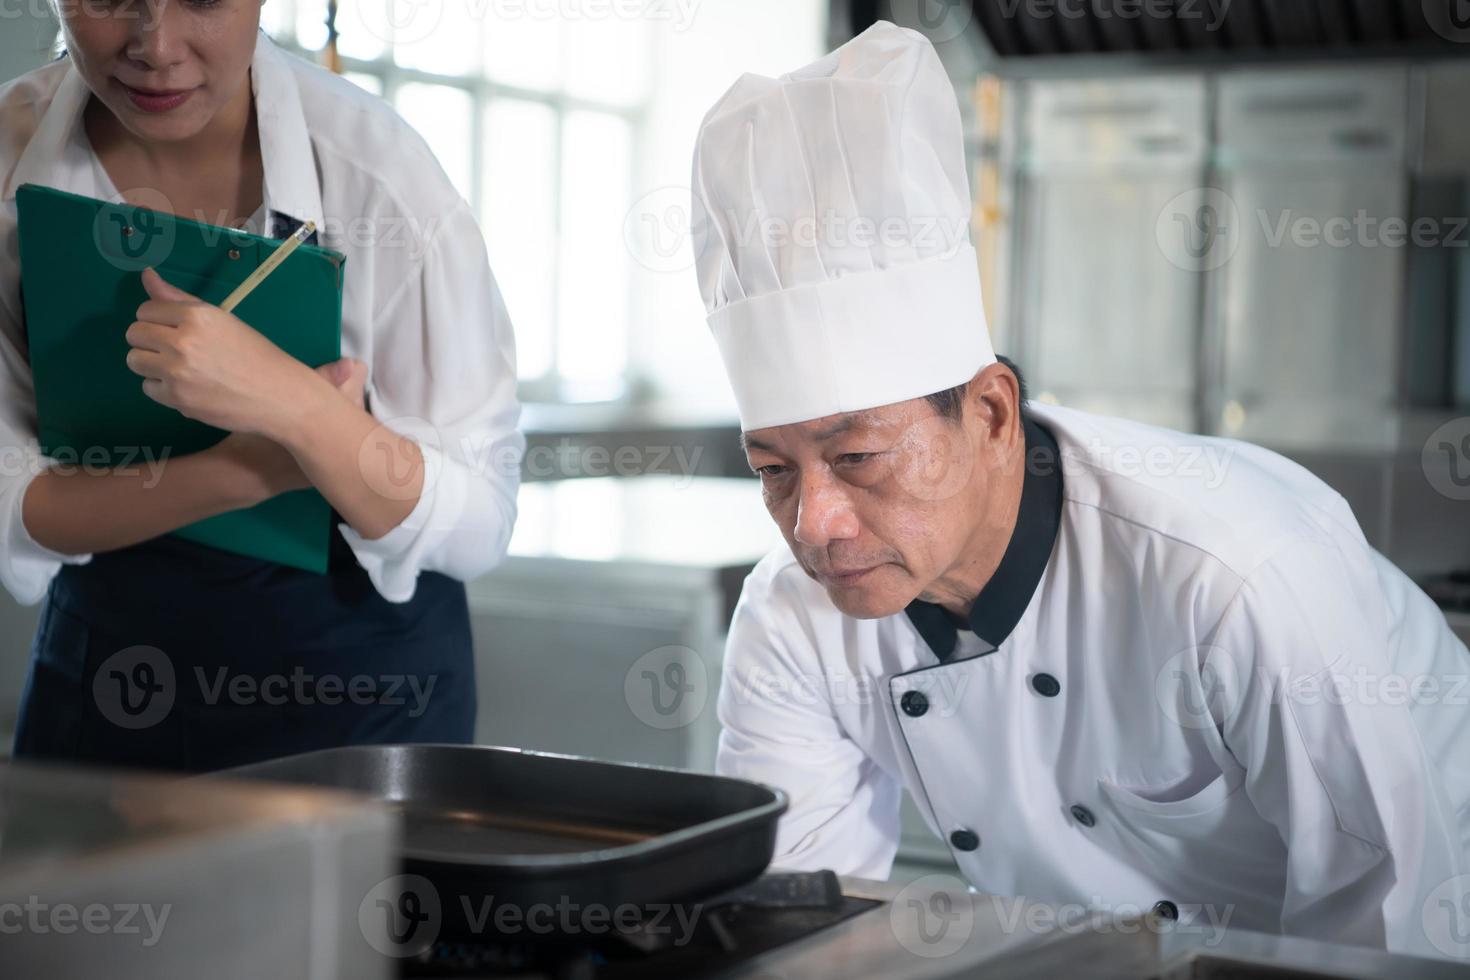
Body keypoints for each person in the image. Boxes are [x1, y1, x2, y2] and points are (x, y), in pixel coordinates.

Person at [692, 22, 1470, 958]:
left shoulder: (1231, 574)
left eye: (857, 458)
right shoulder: (791, 621)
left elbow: (1389, 927)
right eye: (773, 471)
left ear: (987, 413)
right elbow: (804, 925)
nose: (813, 526)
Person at [0, 1, 523, 770]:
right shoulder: (8, 153)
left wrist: (296, 406)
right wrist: (251, 469)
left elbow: (480, 525)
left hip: (357, 689)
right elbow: (13, 503)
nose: (157, 48)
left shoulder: (380, 174)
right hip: (105, 677)